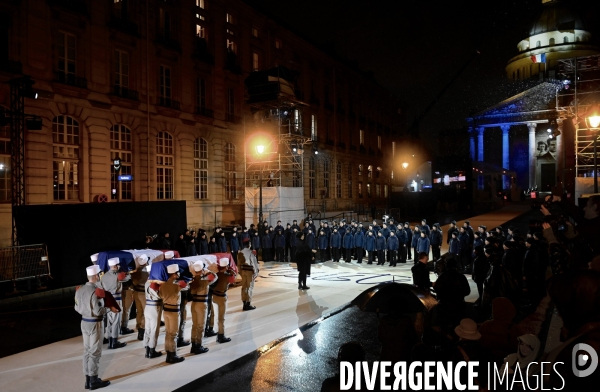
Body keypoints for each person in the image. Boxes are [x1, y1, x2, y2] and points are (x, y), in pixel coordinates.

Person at [75, 265, 115, 390]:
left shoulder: (79, 289)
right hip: (95, 323)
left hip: (84, 322)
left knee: (86, 351)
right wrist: (109, 309)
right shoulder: (97, 291)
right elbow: (98, 311)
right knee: (95, 352)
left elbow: (76, 308)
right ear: (96, 276)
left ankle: (87, 379)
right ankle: (93, 380)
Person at [159, 263, 187, 364]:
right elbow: (186, 287)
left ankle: (168, 354)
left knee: (168, 333)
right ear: (175, 273)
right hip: (174, 311)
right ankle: (173, 355)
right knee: (174, 333)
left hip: (166, 310)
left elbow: (160, 295)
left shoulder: (162, 284)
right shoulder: (177, 284)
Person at [434, 258, 471, 330]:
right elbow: (467, 291)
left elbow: (437, 288)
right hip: (458, 304)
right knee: (457, 325)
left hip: (444, 305)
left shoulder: (443, 276)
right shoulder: (461, 277)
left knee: (444, 326)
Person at [101, 257, 127, 349]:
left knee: (109, 320)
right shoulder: (118, 275)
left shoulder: (104, 276)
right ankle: (114, 341)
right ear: (115, 266)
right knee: (116, 321)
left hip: (107, 299)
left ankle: (109, 338)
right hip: (116, 299)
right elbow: (127, 278)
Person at [189, 262, 214, 355]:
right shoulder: (205, 280)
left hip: (194, 303)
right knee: (201, 326)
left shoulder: (193, 280)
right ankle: (198, 345)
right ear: (202, 269)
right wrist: (207, 271)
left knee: (194, 325)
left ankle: (193, 345)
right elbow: (215, 277)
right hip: (201, 304)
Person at [208, 258, 235, 343]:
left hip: (214, 296)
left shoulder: (216, 274)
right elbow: (232, 281)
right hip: (222, 297)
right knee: (221, 318)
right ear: (226, 266)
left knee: (212, 314)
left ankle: (210, 328)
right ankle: (221, 335)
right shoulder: (228, 275)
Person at [143, 264, 163, 359]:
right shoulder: (155, 283)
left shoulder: (147, 281)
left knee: (148, 329)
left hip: (147, 306)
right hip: (155, 307)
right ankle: (152, 351)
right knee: (154, 330)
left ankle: (147, 349)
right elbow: (160, 295)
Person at [130, 254, 149, 341]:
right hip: (143, 293)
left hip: (136, 292)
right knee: (145, 312)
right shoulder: (147, 271)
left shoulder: (136, 271)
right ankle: (142, 329)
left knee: (139, 311)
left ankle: (139, 327)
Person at [239, 241, 259, 311]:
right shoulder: (251, 252)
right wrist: (256, 272)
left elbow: (238, 264)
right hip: (249, 271)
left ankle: (244, 303)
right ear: (249, 245)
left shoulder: (240, 252)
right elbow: (253, 262)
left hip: (243, 271)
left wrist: (240, 272)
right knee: (250, 287)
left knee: (244, 287)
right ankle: (248, 303)